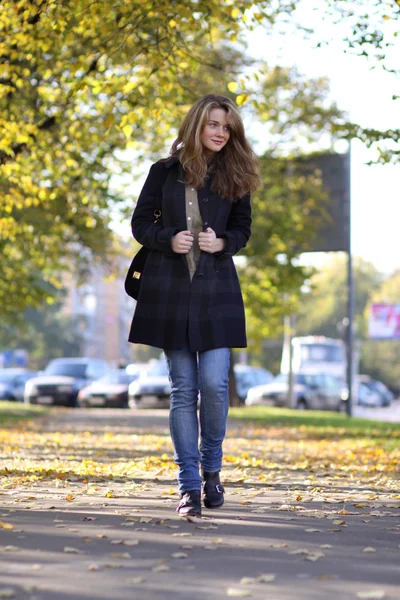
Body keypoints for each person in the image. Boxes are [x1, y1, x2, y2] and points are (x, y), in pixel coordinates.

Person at [128, 94, 260, 518]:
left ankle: (212, 473)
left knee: (216, 385)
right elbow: (139, 224)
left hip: (216, 293)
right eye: (213, 125)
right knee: (184, 389)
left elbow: (243, 229)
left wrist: (222, 242)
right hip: (170, 294)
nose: (220, 132)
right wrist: (168, 237)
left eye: (227, 126)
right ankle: (188, 486)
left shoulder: (236, 174)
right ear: (196, 126)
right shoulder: (163, 172)